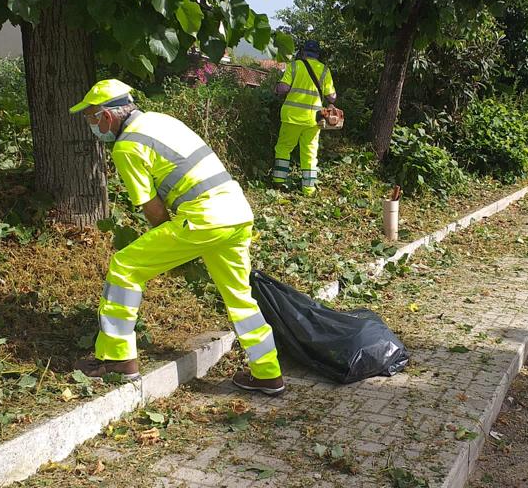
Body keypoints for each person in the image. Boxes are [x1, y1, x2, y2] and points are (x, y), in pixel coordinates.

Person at [69, 79, 284, 396]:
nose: (91, 125)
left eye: (91, 117)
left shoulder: (127, 145)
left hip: (203, 219)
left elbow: (153, 209)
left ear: (107, 116)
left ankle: (118, 360)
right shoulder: (159, 120)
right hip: (237, 212)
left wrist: (171, 253)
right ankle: (268, 373)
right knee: (239, 297)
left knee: (125, 267)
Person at [272, 40, 337, 196]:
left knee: (283, 148)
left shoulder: (294, 66)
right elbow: (332, 97)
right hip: (314, 119)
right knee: (309, 152)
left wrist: (276, 87)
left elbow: (284, 88)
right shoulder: (324, 70)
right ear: (317, 55)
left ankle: (279, 183)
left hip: (292, 117)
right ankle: (308, 189)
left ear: (303, 52)